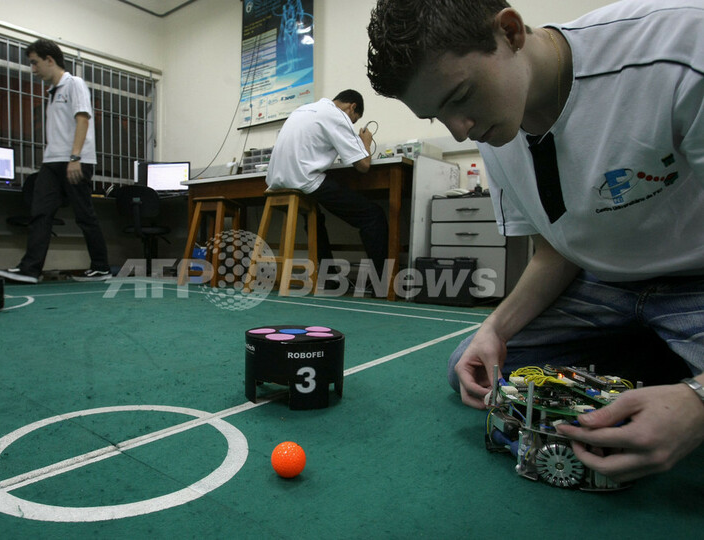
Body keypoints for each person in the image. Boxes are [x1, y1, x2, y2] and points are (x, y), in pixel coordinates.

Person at [367, 0, 704, 482]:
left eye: (460, 96)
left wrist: (698, 401)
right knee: (473, 368)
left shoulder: (681, 52)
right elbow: (558, 245)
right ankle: (666, 358)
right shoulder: (495, 130)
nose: (459, 130)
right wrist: (495, 329)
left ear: (510, 32)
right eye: (437, 116)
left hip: (694, 282)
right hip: (604, 286)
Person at [0, 39, 110, 284]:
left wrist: (75, 157)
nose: (33, 69)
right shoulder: (52, 93)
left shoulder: (74, 83)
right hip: (52, 162)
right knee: (40, 214)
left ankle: (101, 267)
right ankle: (29, 270)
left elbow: (83, 119)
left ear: (50, 60)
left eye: (35, 63)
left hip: (75, 160)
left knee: (84, 215)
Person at [265, 90, 388, 293]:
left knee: (315, 216)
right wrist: (365, 141)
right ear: (352, 107)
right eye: (354, 120)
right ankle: (380, 286)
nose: (352, 123)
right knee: (373, 216)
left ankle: (329, 280)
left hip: (276, 182)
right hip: (304, 180)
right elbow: (363, 165)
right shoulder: (337, 115)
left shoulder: (303, 109)